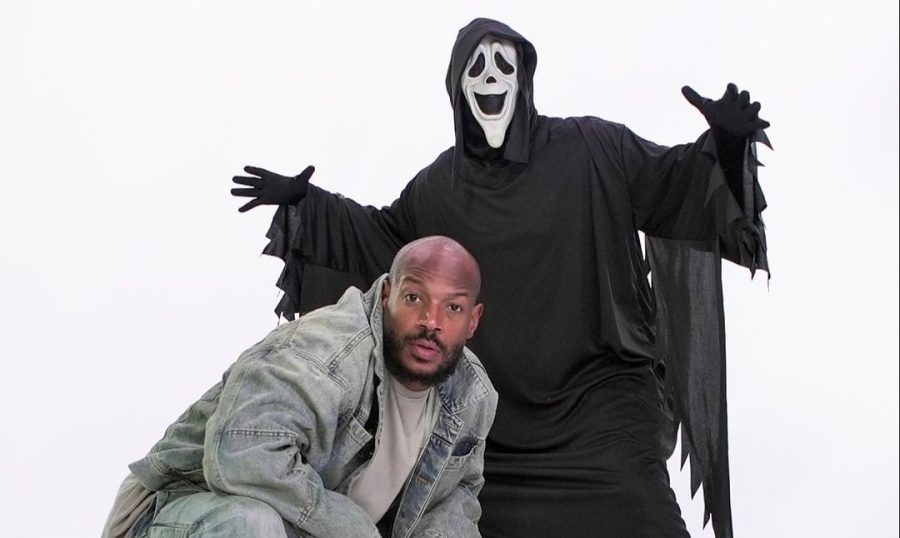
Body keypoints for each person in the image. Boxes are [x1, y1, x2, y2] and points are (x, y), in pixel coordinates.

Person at [231, 18, 771, 538]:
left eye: (503, 64)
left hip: (603, 418)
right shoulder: (438, 188)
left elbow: (674, 185)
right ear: (457, 87)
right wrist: (309, 207)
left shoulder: (593, 148)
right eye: (477, 66)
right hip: (496, 440)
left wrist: (725, 146)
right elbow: (383, 242)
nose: (491, 75)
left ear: (524, 78)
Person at [101, 236, 497, 538]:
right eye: (414, 298)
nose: (431, 321)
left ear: (474, 320)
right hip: (177, 512)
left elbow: (452, 500)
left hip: (305, 530)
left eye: (453, 307)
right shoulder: (324, 354)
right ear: (387, 294)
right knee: (251, 524)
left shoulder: (471, 396)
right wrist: (358, 531)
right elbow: (241, 457)